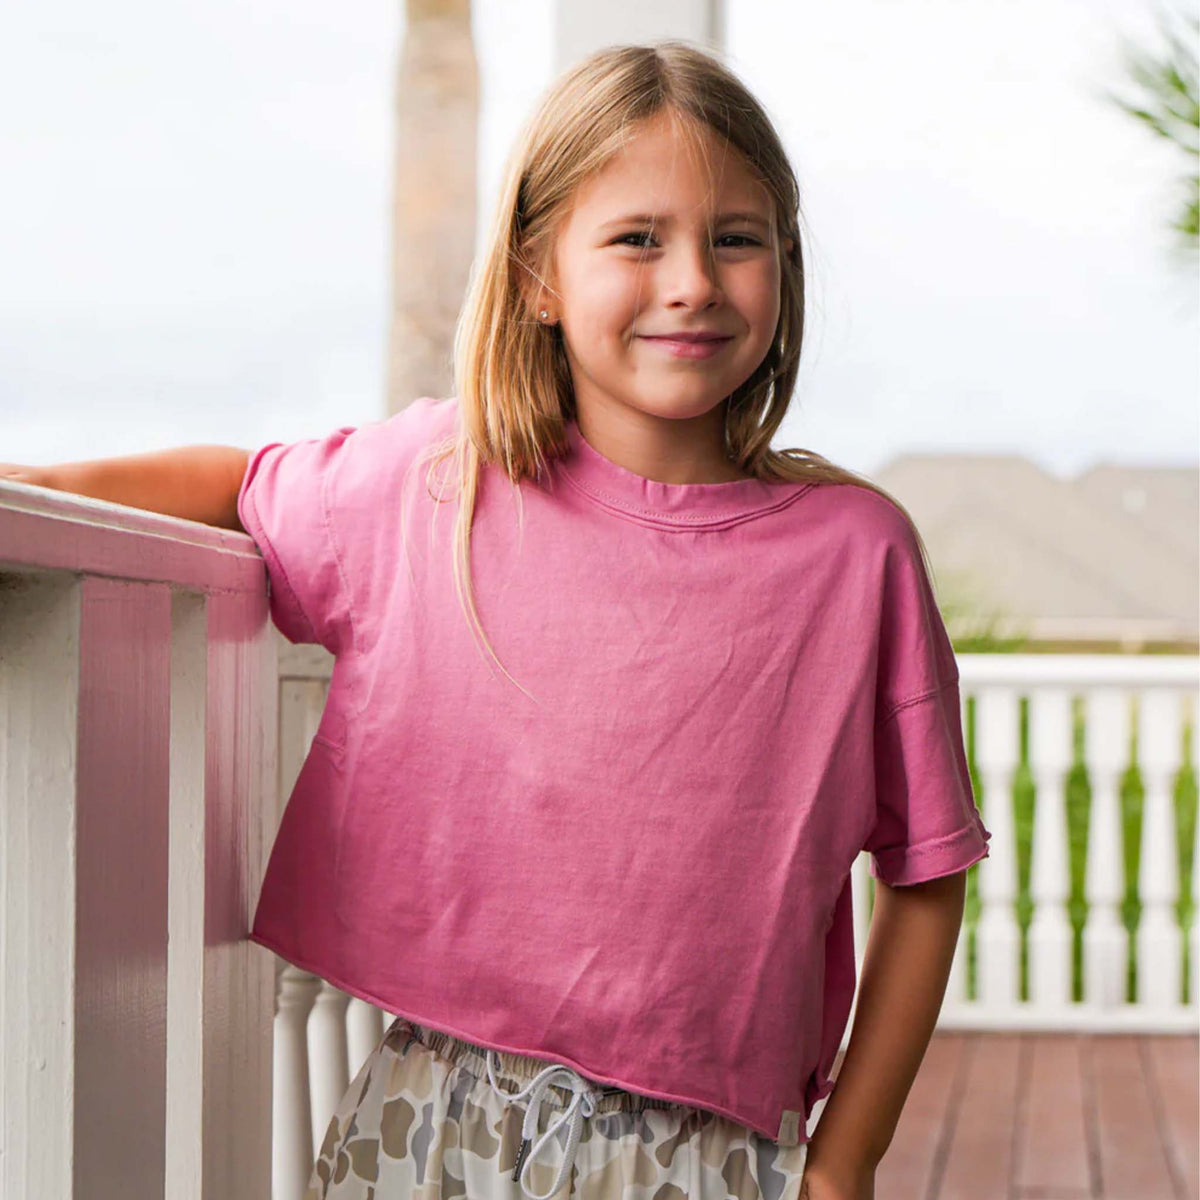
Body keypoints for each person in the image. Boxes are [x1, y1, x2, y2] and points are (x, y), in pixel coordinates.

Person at [3, 39, 991, 1200]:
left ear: (786, 262)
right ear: (537, 274)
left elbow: (926, 873)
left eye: (738, 237)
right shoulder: (439, 482)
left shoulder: (855, 555)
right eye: (637, 238)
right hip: (433, 1122)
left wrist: (847, 1161)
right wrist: (36, 491)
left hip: (715, 1151)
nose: (693, 281)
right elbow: (239, 480)